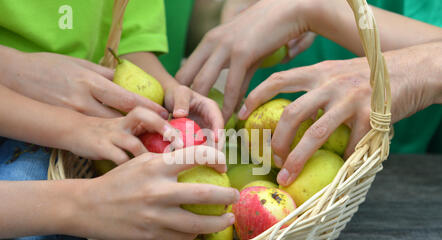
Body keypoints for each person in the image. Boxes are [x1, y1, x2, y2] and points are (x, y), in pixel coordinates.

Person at [0, 0, 237, 240]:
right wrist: (83, 202)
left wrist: (166, 94)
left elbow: (124, 43)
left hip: (68, 136)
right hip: (58, 128)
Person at [177, 0, 442, 185]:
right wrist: (231, 9)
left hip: (414, 181)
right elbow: (183, 19)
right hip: (271, 170)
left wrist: (414, 68)